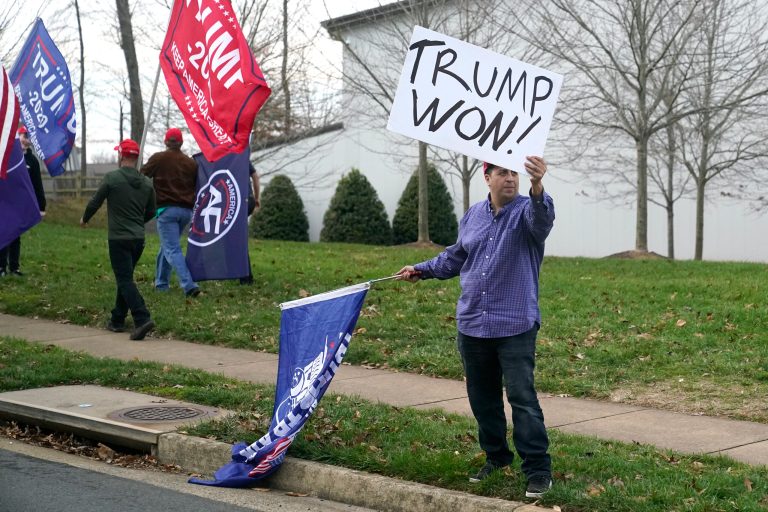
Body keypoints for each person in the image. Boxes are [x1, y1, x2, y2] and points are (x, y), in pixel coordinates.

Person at [396, 156, 555, 499]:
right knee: (482, 399)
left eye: (514, 172)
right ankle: (497, 458)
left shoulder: (529, 211)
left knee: (522, 398)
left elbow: (543, 222)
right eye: (502, 172)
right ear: (487, 177)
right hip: (472, 324)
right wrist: (422, 269)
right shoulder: (473, 216)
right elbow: (456, 256)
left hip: (514, 325)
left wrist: (538, 184)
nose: (510, 178)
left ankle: (539, 470)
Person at [81, 139, 156, 341]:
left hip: (118, 238)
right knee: (126, 279)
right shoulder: (147, 183)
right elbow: (151, 211)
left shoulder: (112, 178)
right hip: (138, 239)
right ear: (136, 157)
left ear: (121, 155)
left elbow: (95, 201)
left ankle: (142, 318)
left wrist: (85, 218)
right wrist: (138, 223)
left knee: (124, 279)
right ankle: (117, 320)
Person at [140, 127, 200, 297]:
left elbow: (141, 176)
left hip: (166, 211)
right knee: (166, 246)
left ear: (166, 142)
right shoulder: (191, 163)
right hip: (186, 213)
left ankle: (189, 285)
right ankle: (161, 283)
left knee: (172, 249)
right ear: (181, 143)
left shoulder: (158, 159)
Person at [0, 126, 46, 277]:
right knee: (5, 233)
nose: (27, 138)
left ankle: (14, 267)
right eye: (24, 135)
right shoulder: (8, 154)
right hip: (6, 200)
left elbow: (37, 184)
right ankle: (1, 267)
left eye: (29, 136)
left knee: (16, 235)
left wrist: (41, 205)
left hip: (20, 203)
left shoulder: (32, 161)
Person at [240, 163, 260, 285]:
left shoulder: (225, 156)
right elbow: (255, 177)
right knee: (238, 236)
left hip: (237, 200)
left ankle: (246, 277)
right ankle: (242, 274)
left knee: (238, 239)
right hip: (249, 199)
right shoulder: (242, 156)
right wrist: (257, 198)